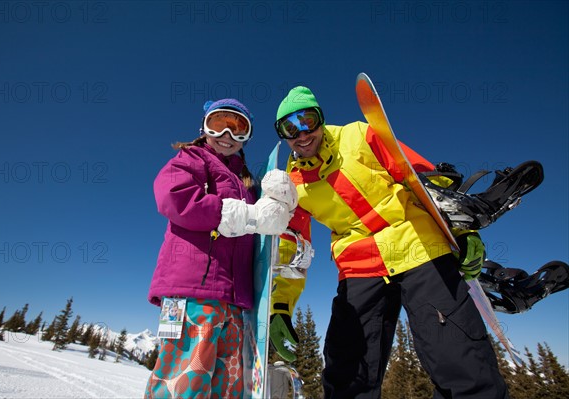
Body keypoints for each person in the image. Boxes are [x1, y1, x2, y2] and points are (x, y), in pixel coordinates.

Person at [268, 87, 510, 399]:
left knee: (459, 358)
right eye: (289, 128)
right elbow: (292, 247)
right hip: (359, 268)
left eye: (307, 121)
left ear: (320, 119)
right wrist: (281, 308)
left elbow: (424, 178)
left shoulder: (359, 135)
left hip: (419, 247)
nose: (301, 133)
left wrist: (463, 229)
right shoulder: (293, 183)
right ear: (283, 135)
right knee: (347, 370)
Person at [144, 98, 297, 398]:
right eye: (219, 124)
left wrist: (280, 210)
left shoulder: (247, 183)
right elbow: (173, 197)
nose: (228, 135)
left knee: (227, 388)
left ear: (247, 136)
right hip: (191, 296)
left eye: (238, 128)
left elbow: (259, 239)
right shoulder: (191, 159)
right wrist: (243, 214)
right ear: (204, 127)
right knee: (186, 381)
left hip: (236, 303)